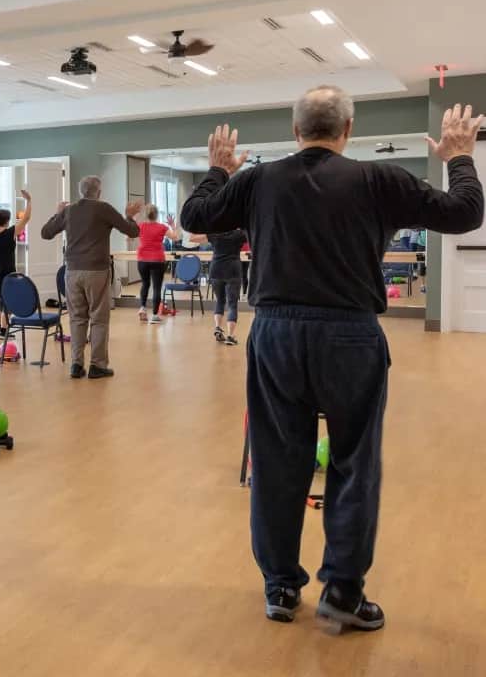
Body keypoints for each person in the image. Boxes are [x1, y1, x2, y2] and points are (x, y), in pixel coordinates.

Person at [180, 86, 483, 631]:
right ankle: (342, 592)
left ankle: (279, 587)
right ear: (349, 130)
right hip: (350, 338)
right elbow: (464, 213)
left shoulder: (257, 179)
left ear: (296, 133)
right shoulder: (378, 179)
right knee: (353, 463)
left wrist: (219, 169)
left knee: (276, 462)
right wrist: (460, 157)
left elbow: (194, 215)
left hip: (274, 335)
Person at [40, 176, 141, 379]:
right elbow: (132, 231)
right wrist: (130, 216)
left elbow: (46, 233)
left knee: (77, 318)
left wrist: (57, 213)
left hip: (72, 271)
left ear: (80, 192)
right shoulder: (104, 208)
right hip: (97, 271)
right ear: (99, 192)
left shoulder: (69, 211)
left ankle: (76, 365)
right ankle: (97, 365)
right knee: (99, 318)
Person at [0, 187, 32, 335]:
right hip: (6, 272)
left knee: (0, 298)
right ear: (7, 221)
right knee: (8, 301)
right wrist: (29, 200)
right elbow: (26, 218)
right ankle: (4, 331)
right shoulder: (11, 232)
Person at [191, 229, 247, 344]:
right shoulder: (239, 234)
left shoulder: (215, 233)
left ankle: (218, 327)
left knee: (220, 301)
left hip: (216, 269)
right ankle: (230, 336)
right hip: (233, 270)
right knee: (232, 304)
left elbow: (192, 238)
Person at [134, 205, 179, 324]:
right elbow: (175, 237)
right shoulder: (162, 227)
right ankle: (154, 316)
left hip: (142, 259)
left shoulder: (141, 226)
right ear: (157, 215)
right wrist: (173, 225)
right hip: (157, 260)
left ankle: (142, 308)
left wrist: (134, 219)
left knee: (145, 284)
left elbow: (128, 237)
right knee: (157, 287)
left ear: (146, 214)